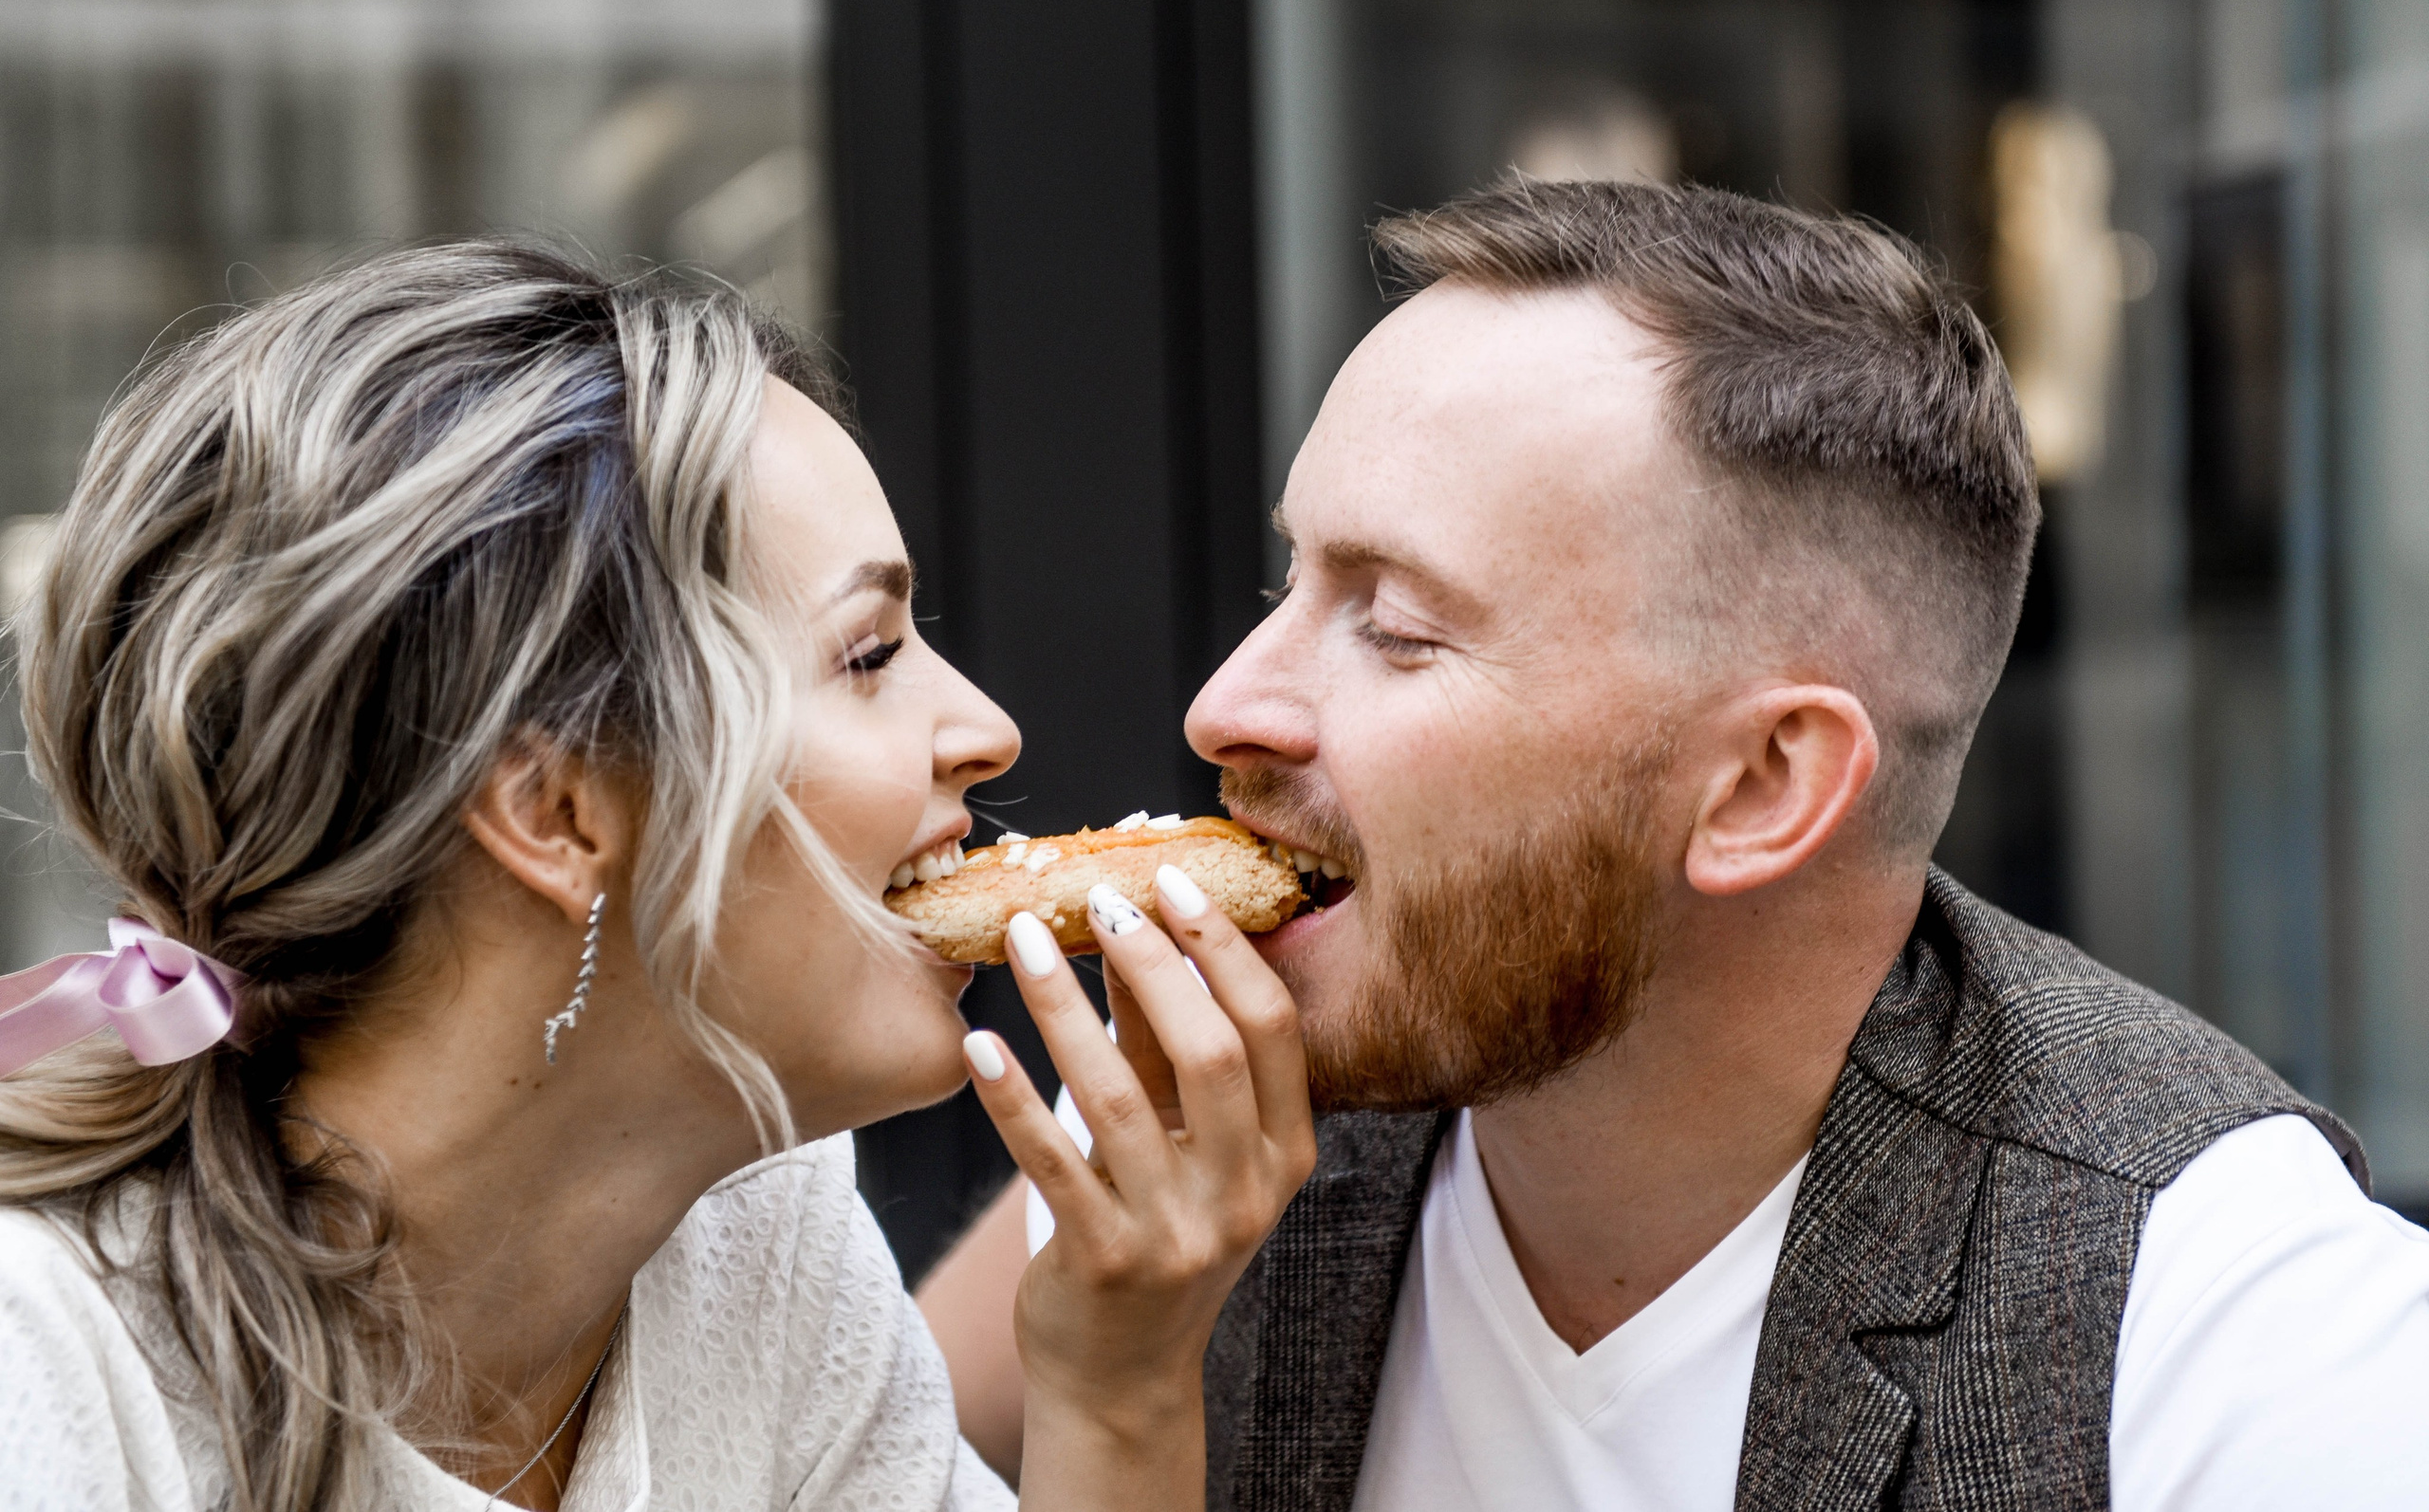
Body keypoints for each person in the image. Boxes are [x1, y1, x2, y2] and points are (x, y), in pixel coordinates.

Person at [917, 179, 2429, 1507]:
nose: (1224, 706)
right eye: (1289, 583)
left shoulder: (2232, 1335)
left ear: (1764, 784)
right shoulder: (1178, 1167)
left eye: (1398, 627)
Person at [0, 242, 1315, 1511]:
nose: (989, 729)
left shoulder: (767, 1252)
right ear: (554, 809)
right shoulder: (42, 1369)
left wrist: (1119, 1385)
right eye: (867, 655)